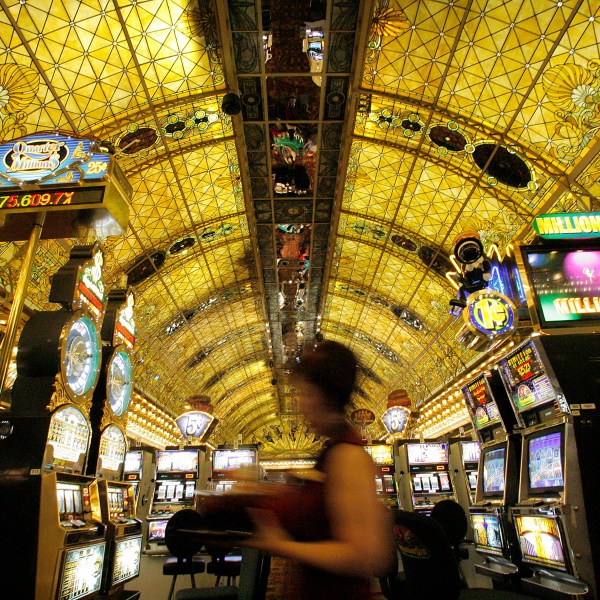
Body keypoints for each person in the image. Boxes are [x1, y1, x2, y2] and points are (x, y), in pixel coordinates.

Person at [243, 341, 397, 599]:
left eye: (304, 394)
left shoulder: (347, 455)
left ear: (324, 396)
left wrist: (283, 546)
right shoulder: (331, 452)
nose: (300, 406)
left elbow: (366, 554)